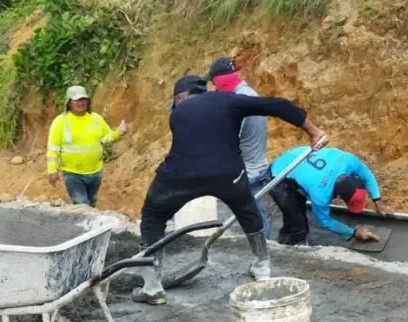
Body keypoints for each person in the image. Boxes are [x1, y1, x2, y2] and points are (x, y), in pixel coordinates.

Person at [132, 75, 326, 306]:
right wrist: (313, 132)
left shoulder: (177, 113)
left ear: (180, 97)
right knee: (248, 211)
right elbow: (279, 105)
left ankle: (152, 288)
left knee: (153, 218)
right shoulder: (228, 100)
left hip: (179, 175)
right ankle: (262, 268)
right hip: (227, 173)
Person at [268, 146, 395, 245]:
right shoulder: (320, 194)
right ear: (338, 194)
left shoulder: (348, 161)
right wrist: (353, 232)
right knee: (298, 221)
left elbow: (367, 175)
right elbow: (324, 221)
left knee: (294, 212)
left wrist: (378, 201)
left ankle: (283, 236)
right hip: (279, 174)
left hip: (300, 163)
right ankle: (294, 248)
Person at [206, 57, 272, 239]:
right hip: (255, 166)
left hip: (248, 171)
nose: (214, 88)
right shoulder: (249, 94)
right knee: (256, 213)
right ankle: (262, 248)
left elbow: (228, 139)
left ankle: (261, 249)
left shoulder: (240, 100)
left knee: (252, 217)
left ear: (221, 80)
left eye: (214, 83)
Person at [45, 85, 128, 207]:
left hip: (95, 173)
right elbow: (53, 149)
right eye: (77, 100)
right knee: (82, 205)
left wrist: (119, 133)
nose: (81, 103)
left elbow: (106, 139)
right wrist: (52, 170)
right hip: (73, 174)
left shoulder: (96, 119)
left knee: (92, 203)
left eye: (83, 99)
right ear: (69, 103)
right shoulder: (60, 122)